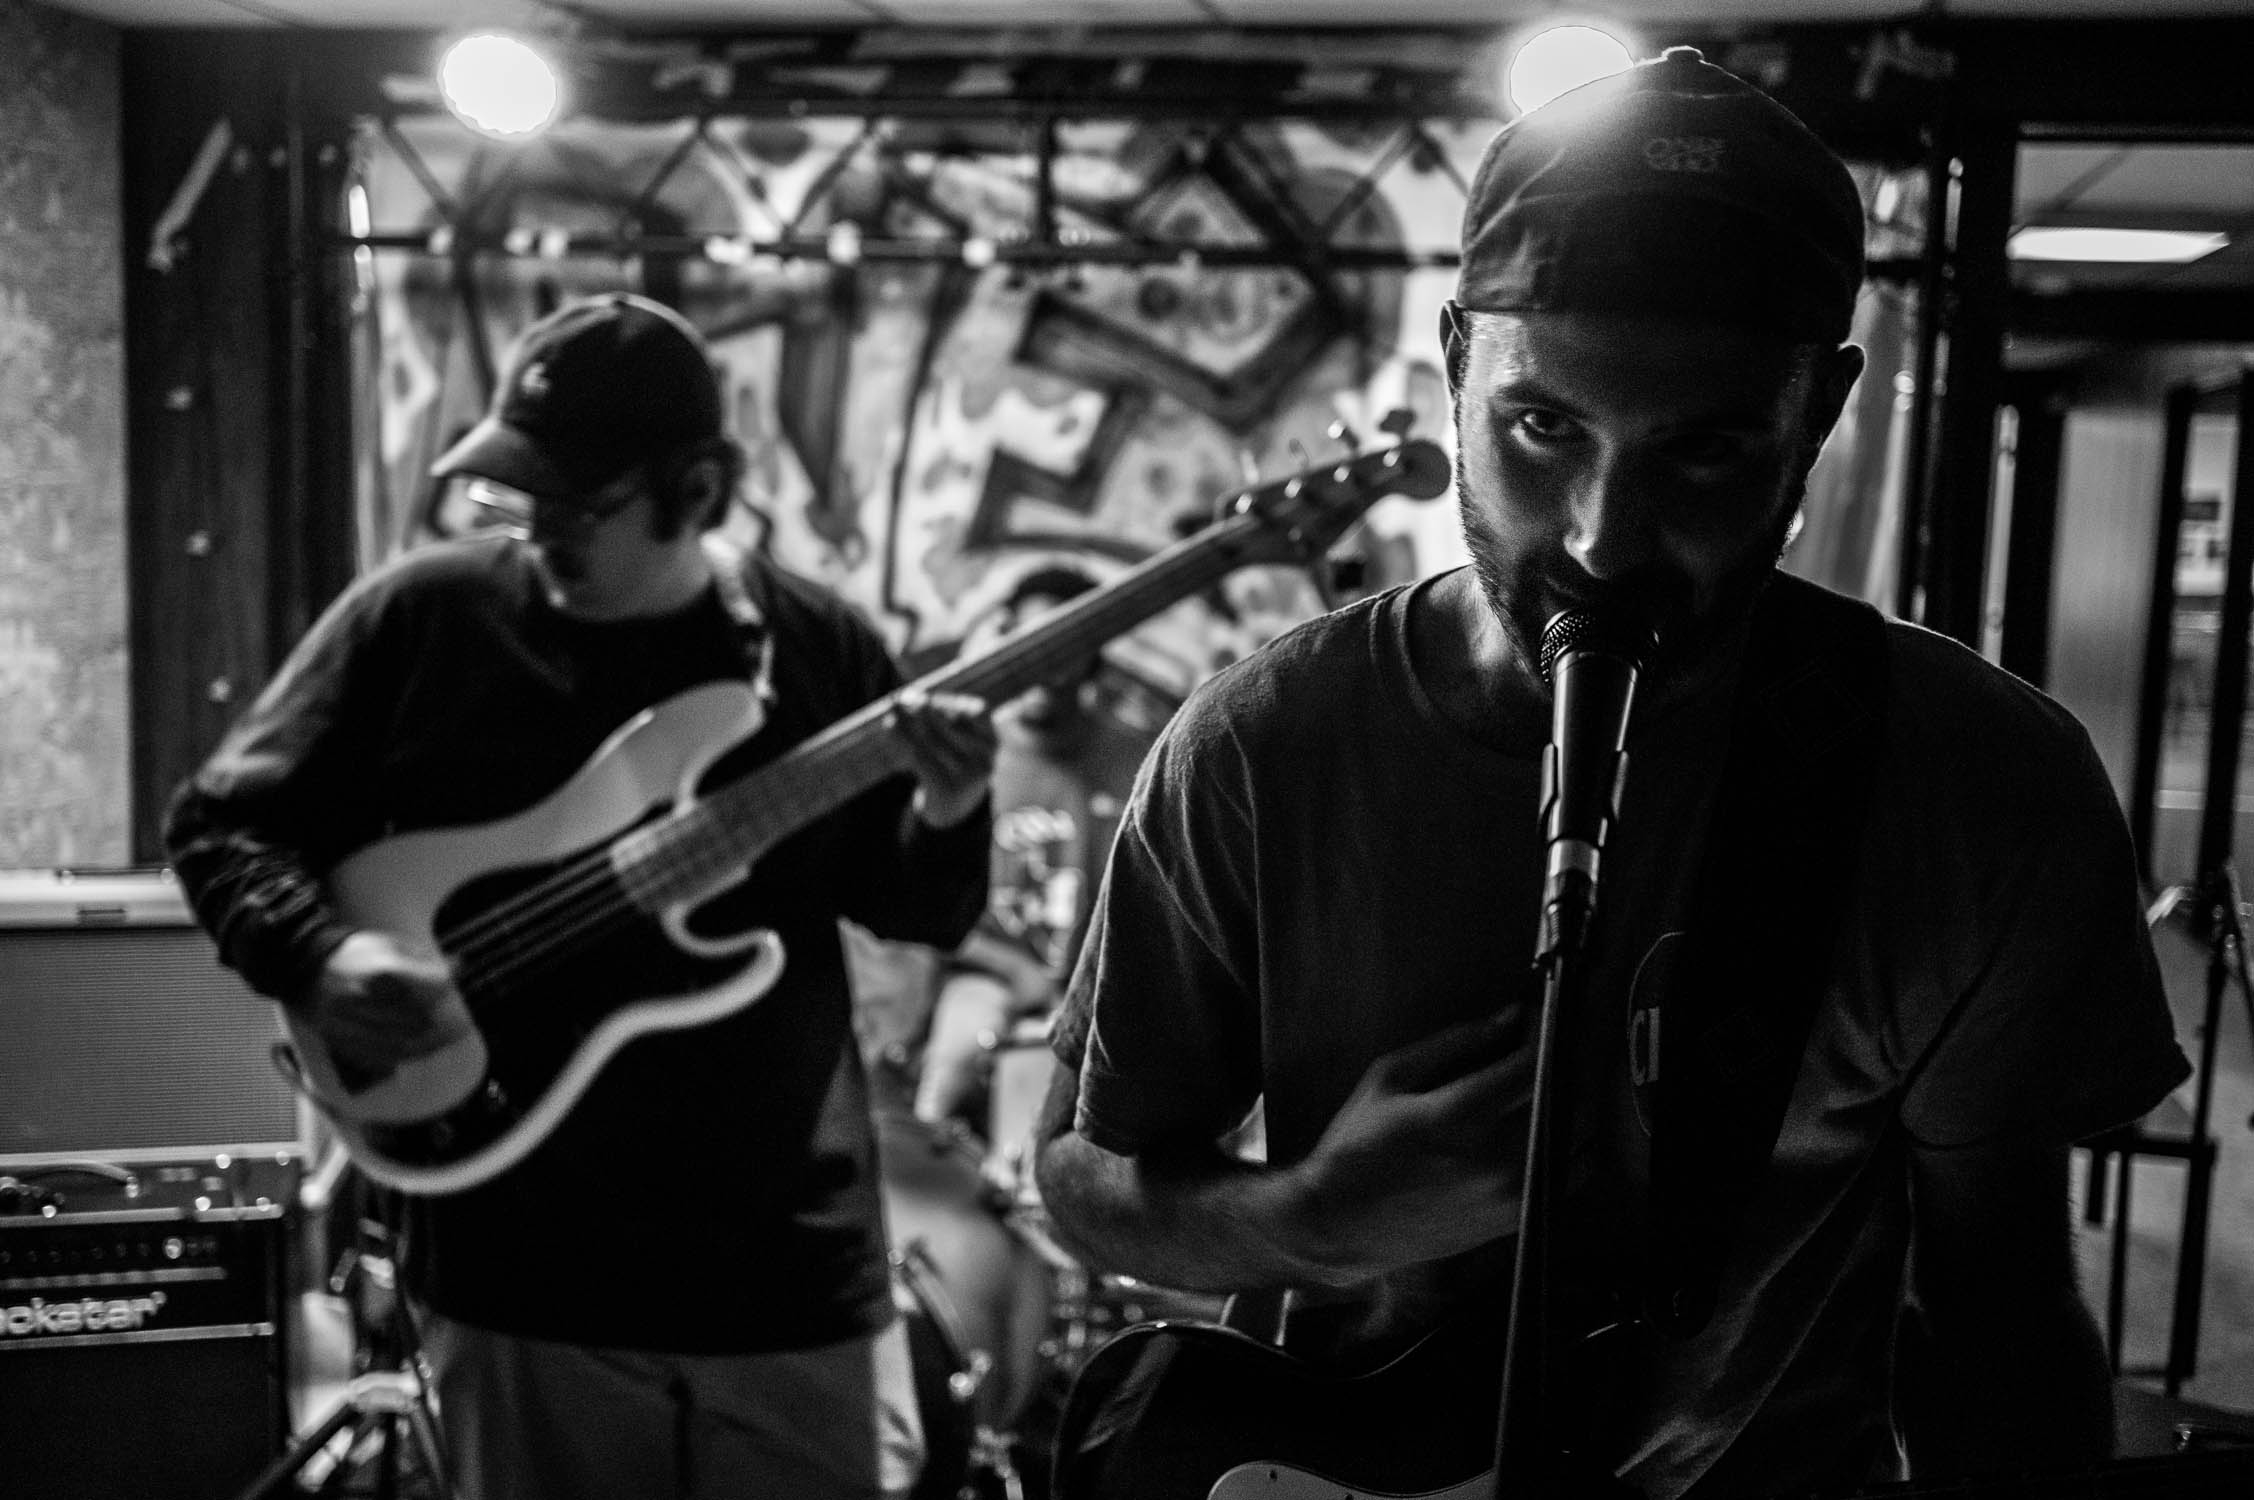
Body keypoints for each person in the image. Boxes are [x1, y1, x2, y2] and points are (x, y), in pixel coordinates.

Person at [1031, 48, 2191, 1500]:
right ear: (1455, 364)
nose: (1601, 539)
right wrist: (1318, 1216)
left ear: (1818, 412)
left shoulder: (1978, 790)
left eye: (1702, 451)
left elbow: (2000, 1316)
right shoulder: (1262, 746)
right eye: (1541, 428)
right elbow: (1085, 1179)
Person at [164, 291, 999, 1500]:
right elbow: (220, 821)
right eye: (523, 499)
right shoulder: (422, 619)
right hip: (519, 1267)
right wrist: (319, 957)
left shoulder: (818, 651)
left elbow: (916, 907)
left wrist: (949, 807)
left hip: (782, 1266)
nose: (544, 533)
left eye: (581, 506)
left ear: (700, 489)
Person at [910, 564, 1161, 1162]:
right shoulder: (970, 760)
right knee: (947, 1073)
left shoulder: (1140, 761)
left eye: (1064, 646)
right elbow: (925, 904)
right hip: (990, 983)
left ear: (1093, 655)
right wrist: (1016, 976)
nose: (1046, 665)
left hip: (1100, 1002)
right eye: (1030, 643)